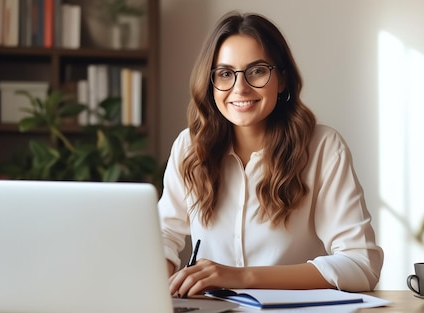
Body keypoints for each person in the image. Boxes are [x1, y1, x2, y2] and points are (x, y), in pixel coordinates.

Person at [158, 11, 383, 298]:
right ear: (211, 82)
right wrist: (159, 289)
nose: (240, 87)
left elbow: (361, 265)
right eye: (225, 73)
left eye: (257, 71)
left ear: (283, 80)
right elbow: (163, 236)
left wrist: (240, 277)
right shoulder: (190, 147)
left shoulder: (323, 147)